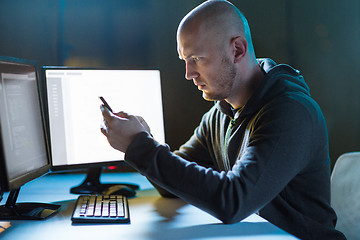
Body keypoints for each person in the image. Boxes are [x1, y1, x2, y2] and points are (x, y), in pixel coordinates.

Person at [100, 0, 346, 239]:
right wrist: (144, 138)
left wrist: (140, 146)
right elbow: (171, 185)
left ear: (237, 50)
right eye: (184, 60)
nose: (189, 74)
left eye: (196, 59)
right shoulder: (221, 114)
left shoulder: (290, 113)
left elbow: (233, 201)